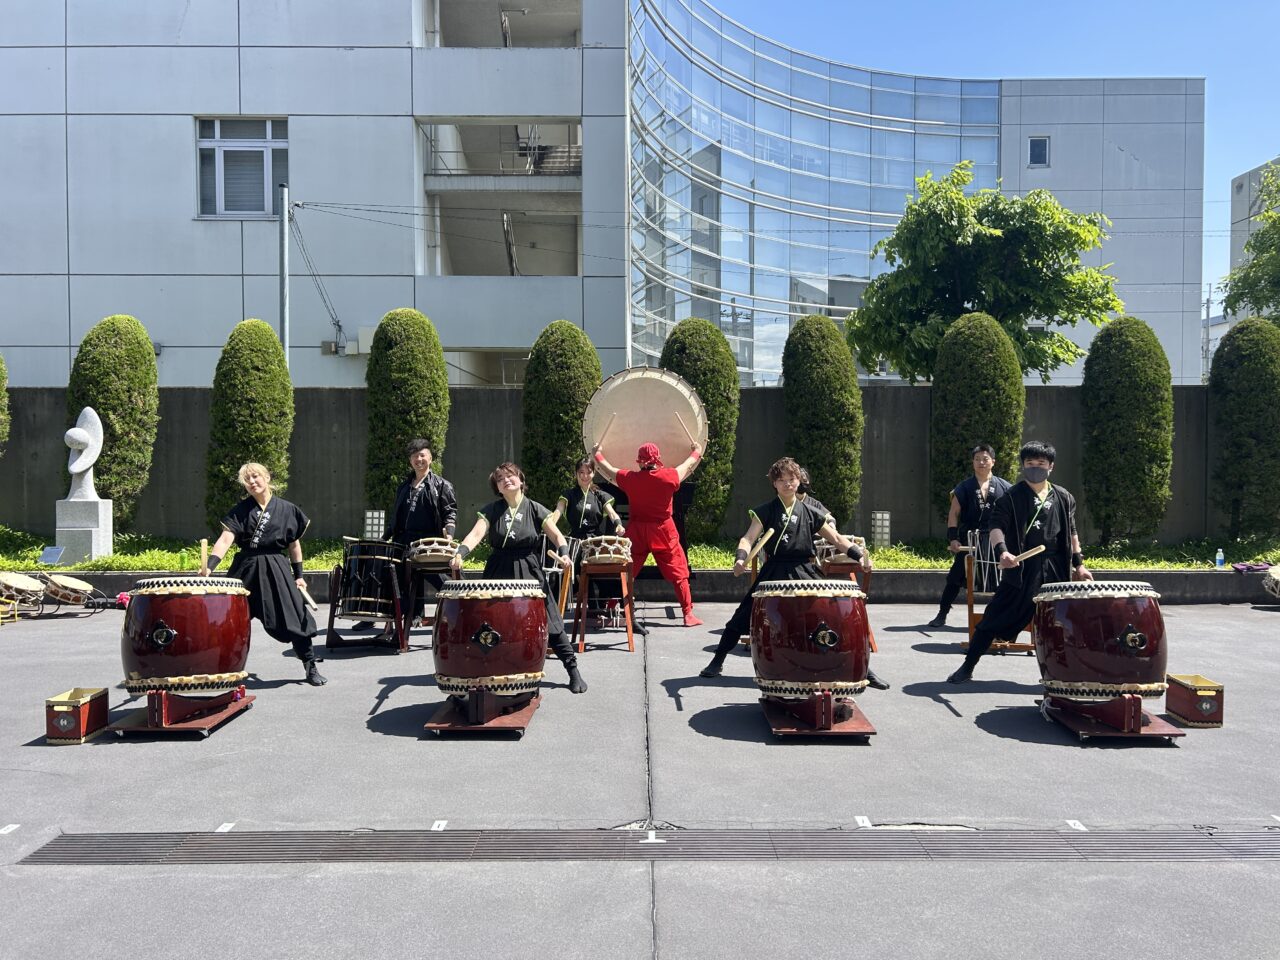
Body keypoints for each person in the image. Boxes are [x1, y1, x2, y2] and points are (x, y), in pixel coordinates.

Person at [699, 458, 887, 689]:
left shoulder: (810, 512)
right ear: (774, 484)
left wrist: (861, 557)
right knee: (743, 615)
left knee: (831, 615)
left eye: (792, 479)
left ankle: (862, 669)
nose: (788, 484)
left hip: (805, 570)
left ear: (799, 482)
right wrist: (740, 558)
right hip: (775, 569)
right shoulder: (765, 511)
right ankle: (717, 661)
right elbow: (748, 539)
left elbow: (837, 539)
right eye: (782, 480)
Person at [947, 441, 1093, 684]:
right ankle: (968, 665)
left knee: (1059, 625)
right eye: (1030, 463)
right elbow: (996, 528)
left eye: (1041, 463)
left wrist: (1079, 564)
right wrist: (1003, 552)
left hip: (1056, 570)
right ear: (1023, 465)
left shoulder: (1064, 497)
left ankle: (1060, 676)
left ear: (1051, 466)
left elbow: (1072, 533)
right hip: (1022, 568)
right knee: (993, 617)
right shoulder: (1011, 497)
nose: (1035, 467)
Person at [451, 462, 588, 694]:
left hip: (529, 568)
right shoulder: (492, 510)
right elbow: (476, 533)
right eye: (500, 479)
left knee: (550, 620)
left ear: (521, 480)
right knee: (493, 623)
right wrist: (460, 553)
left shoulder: (535, 508)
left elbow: (557, 535)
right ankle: (492, 671)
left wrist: (565, 555)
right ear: (498, 488)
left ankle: (573, 670)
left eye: (511, 475)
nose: (506, 480)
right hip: (498, 570)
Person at [204, 462, 327, 686]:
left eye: (255, 477)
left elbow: (294, 545)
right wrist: (209, 566)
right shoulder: (241, 510)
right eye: (247, 480)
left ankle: (310, 665)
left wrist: (299, 575)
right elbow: (225, 539)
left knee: (295, 614)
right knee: (231, 619)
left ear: (267, 477)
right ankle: (223, 669)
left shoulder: (288, 509)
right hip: (247, 567)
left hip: (277, 566)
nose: (252, 482)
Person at [592, 440, 704, 627]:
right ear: (657, 459)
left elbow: (609, 469)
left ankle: (613, 608)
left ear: (640, 461)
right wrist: (697, 451)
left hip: (637, 532)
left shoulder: (631, 479)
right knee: (679, 571)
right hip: (663, 531)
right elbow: (688, 464)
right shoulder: (669, 476)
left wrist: (597, 454)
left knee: (626, 570)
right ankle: (688, 614)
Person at [358, 439, 457, 633]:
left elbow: (450, 513)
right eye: (414, 456)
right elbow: (396, 518)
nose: (418, 459)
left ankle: (462, 611)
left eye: (422, 455)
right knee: (392, 579)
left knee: (444, 582)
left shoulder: (442, 485)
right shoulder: (404, 486)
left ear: (430, 457)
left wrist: (449, 534)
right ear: (410, 460)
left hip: (428, 543)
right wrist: (383, 539)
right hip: (403, 542)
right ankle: (384, 617)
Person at [928, 444, 1013, 627]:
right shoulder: (964, 486)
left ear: (993, 462)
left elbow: (1013, 514)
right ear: (973, 462)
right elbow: (953, 513)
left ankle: (998, 617)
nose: (981, 463)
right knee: (955, 577)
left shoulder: (1005, 487)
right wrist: (953, 538)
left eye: (985, 459)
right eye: (977, 459)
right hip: (970, 539)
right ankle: (942, 613)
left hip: (995, 541)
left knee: (1001, 579)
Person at [547, 456, 626, 622]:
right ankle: (555, 610)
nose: (584, 476)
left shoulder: (600, 495)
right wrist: (550, 526)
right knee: (567, 572)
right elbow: (558, 511)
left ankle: (602, 605)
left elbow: (611, 513)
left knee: (602, 572)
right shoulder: (568, 494)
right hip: (575, 540)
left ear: (594, 473)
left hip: (595, 541)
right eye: (581, 472)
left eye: (588, 472)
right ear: (576, 474)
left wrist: (618, 524)